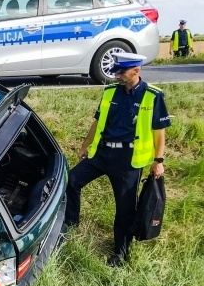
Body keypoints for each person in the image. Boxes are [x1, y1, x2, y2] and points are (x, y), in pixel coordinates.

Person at [64, 53, 170, 266]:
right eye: (116, 72)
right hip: (102, 154)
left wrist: (158, 160)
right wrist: (86, 144)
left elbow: (159, 131)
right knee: (72, 180)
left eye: (122, 72)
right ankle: (71, 223)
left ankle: (120, 252)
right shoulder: (110, 92)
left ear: (136, 71)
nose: (117, 76)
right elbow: (98, 121)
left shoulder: (152, 96)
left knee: (125, 209)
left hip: (128, 161)